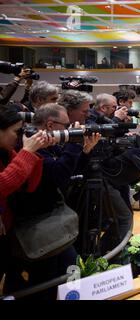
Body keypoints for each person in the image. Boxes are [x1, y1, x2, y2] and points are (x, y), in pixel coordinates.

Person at [7, 104, 100, 296]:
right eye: (66, 125)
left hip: (50, 222)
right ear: (50, 124)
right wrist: (74, 142)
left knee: (70, 268)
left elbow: (67, 176)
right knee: (45, 282)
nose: (68, 129)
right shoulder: (31, 146)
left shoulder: (48, 145)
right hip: (34, 227)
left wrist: (85, 151)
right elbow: (57, 175)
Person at [0, 105, 51, 293]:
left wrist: (36, 152)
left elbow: (29, 185)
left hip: (7, 230)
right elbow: (3, 185)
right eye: (16, 131)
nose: (19, 135)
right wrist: (27, 153)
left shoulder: (6, 150)